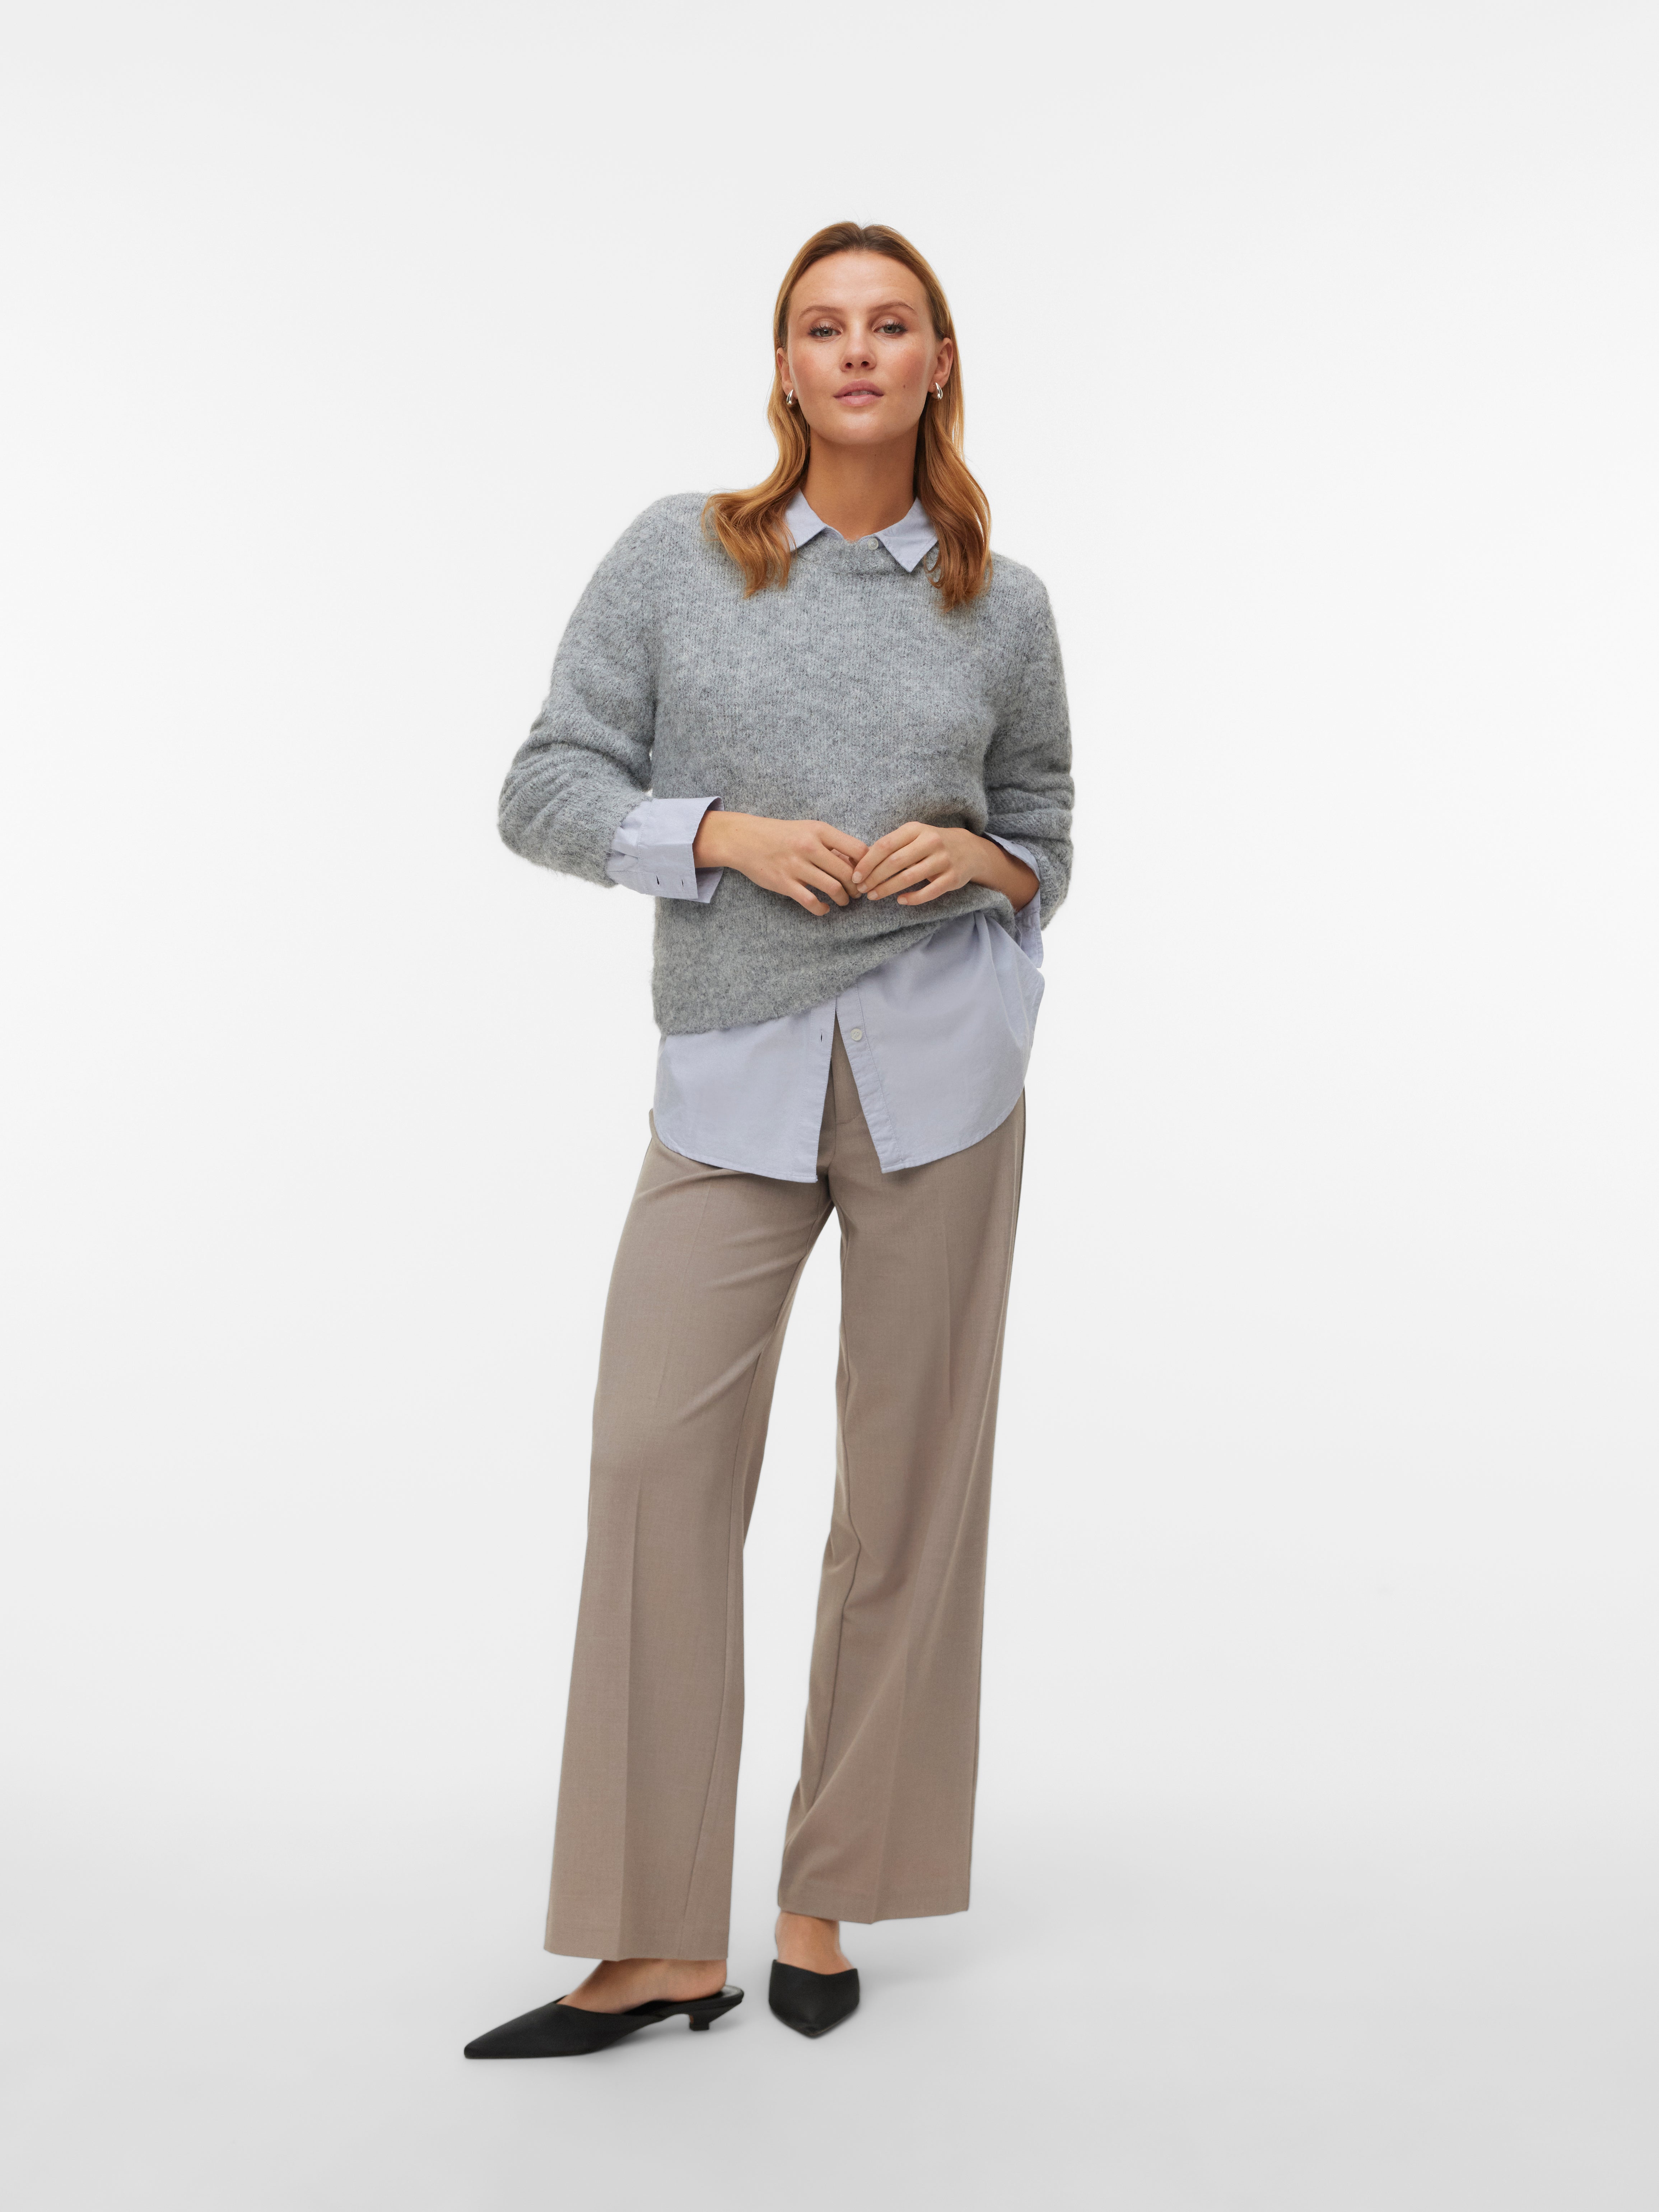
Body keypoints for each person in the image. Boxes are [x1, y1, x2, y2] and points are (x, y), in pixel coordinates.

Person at [465, 221, 1073, 2059]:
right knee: (655, 1459)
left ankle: (827, 1891)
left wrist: (986, 857)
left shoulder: (1004, 602)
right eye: (824, 326)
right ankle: (656, 1940)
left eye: (891, 324)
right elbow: (542, 786)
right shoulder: (680, 553)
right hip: (732, 1062)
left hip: (942, 1068)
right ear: (785, 367)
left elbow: (1045, 825)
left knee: (906, 1490)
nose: (857, 351)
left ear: (939, 360)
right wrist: (718, 832)